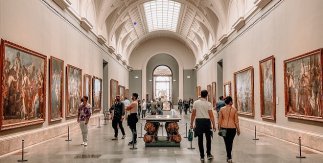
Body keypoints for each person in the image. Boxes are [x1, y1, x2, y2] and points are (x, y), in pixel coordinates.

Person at [190, 90, 216, 161]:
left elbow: (193, 114)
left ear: (200, 95)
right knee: (208, 139)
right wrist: (214, 125)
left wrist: (191, 123)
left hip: (199, 122)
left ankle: (202, 155)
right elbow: (211, 116)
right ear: (206, 96)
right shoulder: (209, 104)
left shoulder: (196, 103)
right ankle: (208, 154)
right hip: (207, 122)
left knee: (200, 139)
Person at [218, 96, 240, 163]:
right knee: (230, 142)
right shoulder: (234, 110)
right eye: (232, 101)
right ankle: (229, 157)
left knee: (226, 143)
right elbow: (236, 121)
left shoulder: (221, 109)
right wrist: (238, 129)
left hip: (223, 127)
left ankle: (228, 156)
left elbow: (220, 120)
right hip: (232, 128)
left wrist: (219, 128)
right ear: (230, 102)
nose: (232, 102)